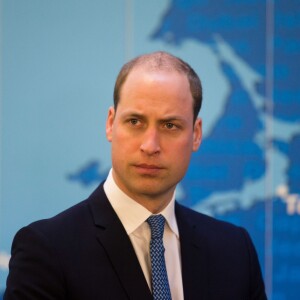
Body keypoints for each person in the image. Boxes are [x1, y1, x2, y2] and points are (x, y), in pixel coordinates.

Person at [4, 51, 267, 300]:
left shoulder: (234, 251)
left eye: (170, 125)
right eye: (135, 122)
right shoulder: (47, 250)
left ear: (196, 134)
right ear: (110, 123)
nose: (150, 145)